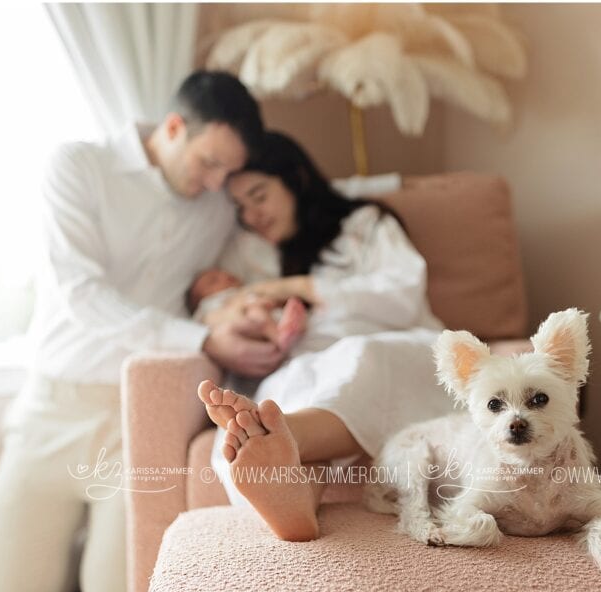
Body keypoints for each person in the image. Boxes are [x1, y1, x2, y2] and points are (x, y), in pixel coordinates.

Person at [0, 71, 282, 592]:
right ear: (171, 128)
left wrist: (235, 314)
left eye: (229, 172)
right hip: (54, 406)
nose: (217, 183)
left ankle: (97, 557)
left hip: (134, 416)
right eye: (209, 162)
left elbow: (242, 272)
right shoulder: (79, 167)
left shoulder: (214, 208)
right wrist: (201, 339)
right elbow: (81, 295)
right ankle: (70, 547)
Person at [194, 131, 457, 542]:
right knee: (287, 390)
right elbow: (216, 305)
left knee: (360, 358)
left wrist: (299, 286)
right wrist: (244, 319)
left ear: (295, 179)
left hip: (392, 341)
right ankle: (295, 493)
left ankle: (282, 435)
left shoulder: (363, 224)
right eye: (240, 207)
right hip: (309, 361)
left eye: (259, 196)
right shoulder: (251, 253)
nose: (251, 215)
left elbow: (404, 293)